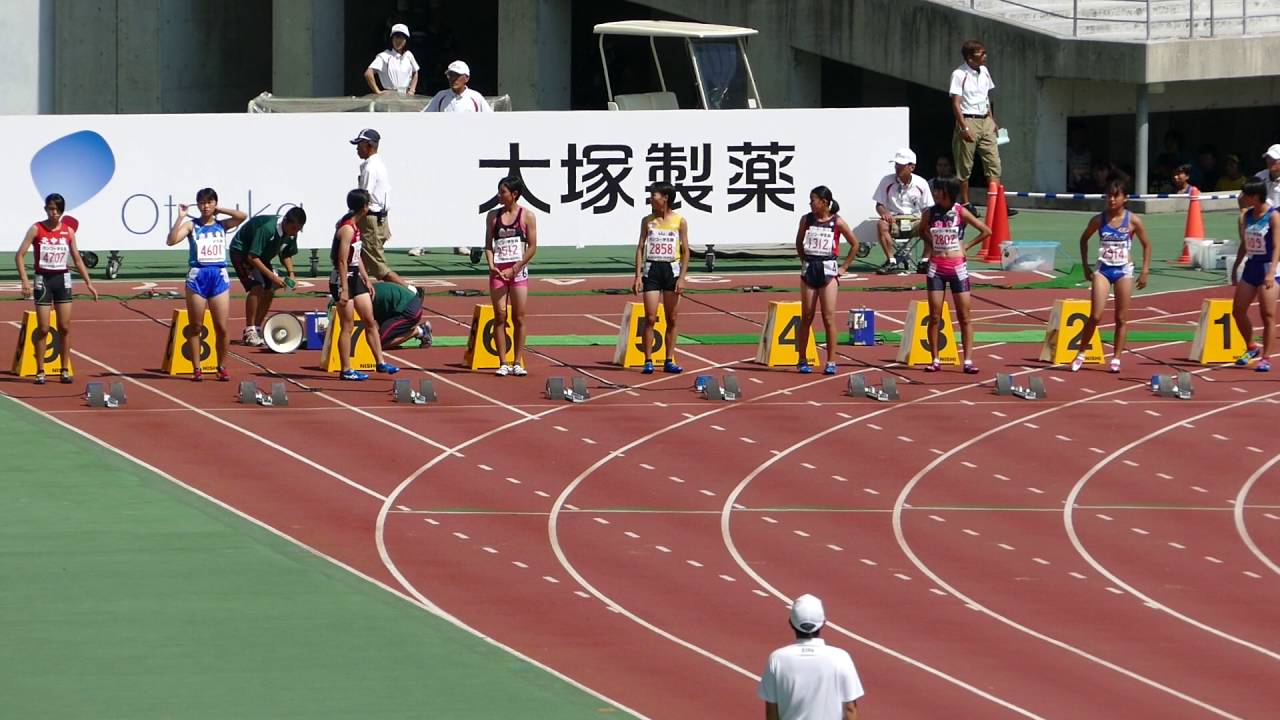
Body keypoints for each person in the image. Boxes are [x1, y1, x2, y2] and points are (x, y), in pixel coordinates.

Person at [13, 193, 99, 384]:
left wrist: (89, 283)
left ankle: (64, 368)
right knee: (43, 328)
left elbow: (77, 258)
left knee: (65, 327)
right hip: (43, 279)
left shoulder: (68, 231)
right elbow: (19, 255)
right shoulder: (36, 229)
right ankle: (40, 369)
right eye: (51, 209)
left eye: (57, 210)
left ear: (61, 211)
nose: (54, 213)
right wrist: (25, 281)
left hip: (62, 279)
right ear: (46, 209)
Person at [1071, 177, 1152, 373]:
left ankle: (1116, 357)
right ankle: (1081, 352)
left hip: (1124, 270)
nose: (1111, 200)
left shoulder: (1133, 220)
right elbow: (1083, 240)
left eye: (1116, 196)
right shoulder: (1099, 219)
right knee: (1096, 315)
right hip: (1103, 270)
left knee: (1121, 318)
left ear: (1125, 198)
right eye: (1109, 196)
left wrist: (1145, 270)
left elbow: (1147, 244)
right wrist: (1085, 266)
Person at [166, 188, 246, 382]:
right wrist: (180, 218)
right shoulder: (191, 226)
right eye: (202, 203)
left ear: (215, 203)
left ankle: (221, 365)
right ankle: (197, 368)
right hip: (198, 277)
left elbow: (242, 216)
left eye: (209, 202)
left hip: (218, 276)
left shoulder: (222, 225)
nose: (206, 206)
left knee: (222, 327)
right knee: (195, 326)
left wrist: (221, 210)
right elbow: (170, 241)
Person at [919, 176, 991, 374]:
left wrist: (966, 245)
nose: (934, 194)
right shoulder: (930, 213)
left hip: (957, 267)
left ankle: (967, 361)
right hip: (936, 268)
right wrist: (932, 243)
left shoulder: (960, 211)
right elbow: (921, 230)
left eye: (938, 190)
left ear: (947, 192)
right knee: (934, 316)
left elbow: (986, 231)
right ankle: (935, 359)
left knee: (964, 317)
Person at [758, 594, 863, 720]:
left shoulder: (777, 659)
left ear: (791, 622)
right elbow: (850, 709)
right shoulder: (841, 658)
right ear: (823, 622)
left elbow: (772, 712)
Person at [330, 189, 399, 381]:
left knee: (370, 319)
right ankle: (346, 369)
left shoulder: (356, 225)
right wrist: (344, 289)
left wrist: (366, 278)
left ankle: (381, 362)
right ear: (365, 207)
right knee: (347, 325)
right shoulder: (347, 229)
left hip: (355, 277)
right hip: (342, 279)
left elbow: (356, 254)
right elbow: (342, 261)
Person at [794, 186, 859, 375]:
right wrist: (803, 259)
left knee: (828, 317)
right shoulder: (806, 219)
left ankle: (831, 361)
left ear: (824, 202)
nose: (810, 204)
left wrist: (844, 266)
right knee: (806, 316)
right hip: (810, 269)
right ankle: (802, 359)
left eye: (813, 200)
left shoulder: (837, 222)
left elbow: (855, 244)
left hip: (828, 270)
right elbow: (799, 242)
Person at [632, 182, 689, 374]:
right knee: (650, 317)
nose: (650, 199)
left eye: (653, 195)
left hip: (671, 270)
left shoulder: (679, 221)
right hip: (652, 270)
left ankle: (668, 359)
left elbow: (686, 250)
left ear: (665, 198)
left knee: (671, 318)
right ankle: (648, 360)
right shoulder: (647, 220)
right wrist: (638, 275)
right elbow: (640, 247)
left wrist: (682, 278)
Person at [484, 175, 538, 376]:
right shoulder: (493, 216)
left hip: (517, 272)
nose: (499, 196)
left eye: (503, 192)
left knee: (519, 316)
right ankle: (503, 362)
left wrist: (515, 267)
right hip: (498, 271)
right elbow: (488, 245)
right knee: (500, 315)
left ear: (514, 195)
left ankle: (517, 361)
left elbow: (532, 247)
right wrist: (491, 265)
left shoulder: (527, 216)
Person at [229, 207, 307, 347]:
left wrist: (291, 274)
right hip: (241, 252)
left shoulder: (292, 233)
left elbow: (286, 254)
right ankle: (249, 331)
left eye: (299, 229)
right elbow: (252, 257)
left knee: (270, 289)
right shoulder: (267, 229)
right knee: (257, 287)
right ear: (285, 221)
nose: (295, 232)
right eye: (294, 228)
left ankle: (257, 329)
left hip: (260, 255)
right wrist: (273, 276)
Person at [351, 128, 413, 291]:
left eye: (360, 144)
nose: (357, 148)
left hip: (370, 220)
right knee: (358, 259)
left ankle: (410, 291)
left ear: (369, 145)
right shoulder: (377, 164)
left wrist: (352, 219)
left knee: (378, 267)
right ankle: (354, 291)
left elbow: (364, 197)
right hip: (378, 219)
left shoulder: (370, 167)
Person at [1231, 178, 1279, 373]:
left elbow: (1278, 246)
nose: (1241, 197)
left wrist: (1271, 272)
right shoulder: (1246, 216)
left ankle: (1266, 358)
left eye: (1245, 195)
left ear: (1255, 196)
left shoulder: (1274, 216)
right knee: (1238, 311)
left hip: (1269, 268)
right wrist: (1235, 266)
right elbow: (1245, 243)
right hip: (1251, 267)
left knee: (1267, 314)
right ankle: (1251, 347)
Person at [949, 39, 1001, 210]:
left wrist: (992, 120)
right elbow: (956, 103)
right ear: (970, 58)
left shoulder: (985, 71)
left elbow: (986, 97)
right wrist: (963, 126)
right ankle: (965, 202)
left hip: (985, 118)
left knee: (993, 162)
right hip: (968, 118)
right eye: (981, 53)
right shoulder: (959, 74)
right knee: (965, 165)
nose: (985, 56)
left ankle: (996, 203)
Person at [872, 148, 933, 275]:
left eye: (901, 165)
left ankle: (924, 261)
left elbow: (927, 208)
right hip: (894, 221)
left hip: (916, 221)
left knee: (932, 225)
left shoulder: (921, 183)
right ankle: (892, 261)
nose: (897, 168)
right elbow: (879, 204)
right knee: (881, 224)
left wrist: (926, 220)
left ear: (912, 167)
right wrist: (885, 213)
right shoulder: (886, 181)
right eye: (896, 164)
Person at [370, 281, 432, 350]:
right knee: (375, 338)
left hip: (409, 310)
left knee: (376, 344)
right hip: (394, 310)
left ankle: (421, 331)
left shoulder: (364, 296)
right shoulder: (364, 292)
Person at [364, 24, 419, 95]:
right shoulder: (384, 56)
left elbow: (415, 72)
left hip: (405, 96)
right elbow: (368, 73)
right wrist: (377, 91)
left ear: (406, 40)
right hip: (389, 97)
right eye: (396, 37)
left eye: (401, 38)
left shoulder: (409, 55)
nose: (398, 40)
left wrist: (412, 90)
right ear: (391, 39)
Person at [422, 60, 492, 113]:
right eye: (450, 75)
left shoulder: (476, 97)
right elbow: (424, 117)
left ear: (467, 78)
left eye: (457, 75)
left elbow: (490, 119)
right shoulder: (440, 96)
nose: (453, 79)